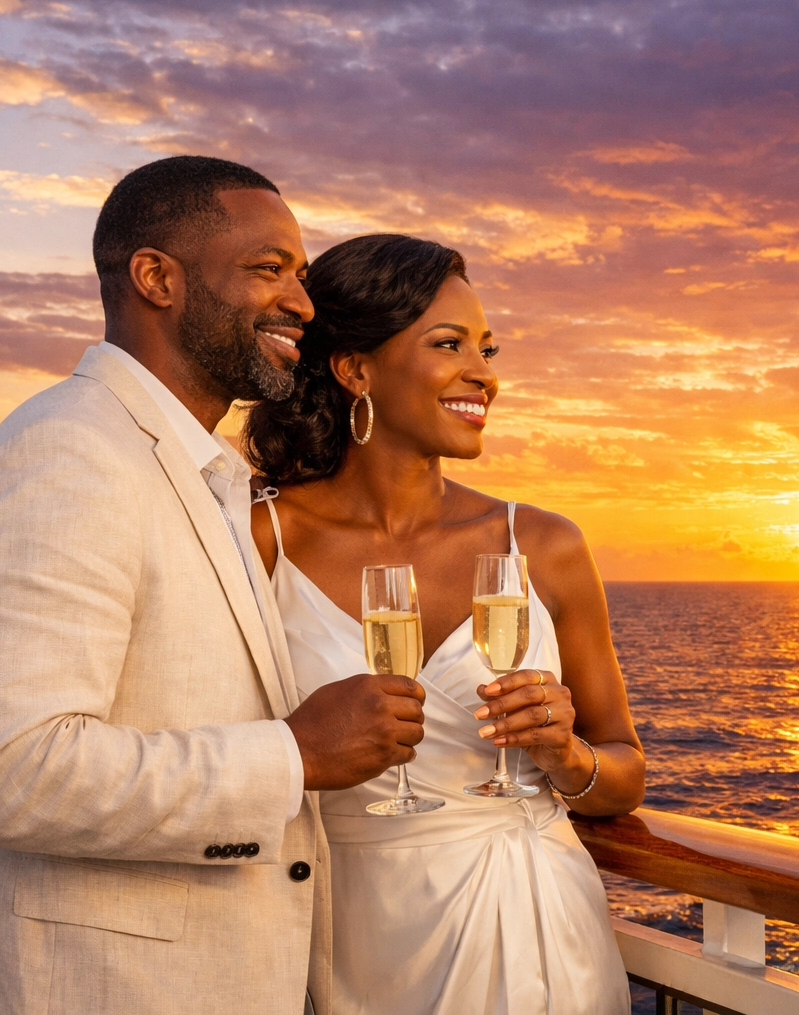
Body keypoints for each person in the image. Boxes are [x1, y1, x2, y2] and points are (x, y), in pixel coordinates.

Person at [0, 157, 429, 1015]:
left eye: (301, 274)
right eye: (270, 269)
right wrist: (293, 754)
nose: (302, 302)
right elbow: (10, 773)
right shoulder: (67, 453)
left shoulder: (204, 468)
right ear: (156, 278)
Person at [245, 233, 644, 1014]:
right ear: (355, 368)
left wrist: (564, 754)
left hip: (539, 929)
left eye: (486, 349)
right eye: (449, 344)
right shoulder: (261, 540)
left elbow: (624, 769)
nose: (484, 375)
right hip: (352, 936)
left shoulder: (545, 545)